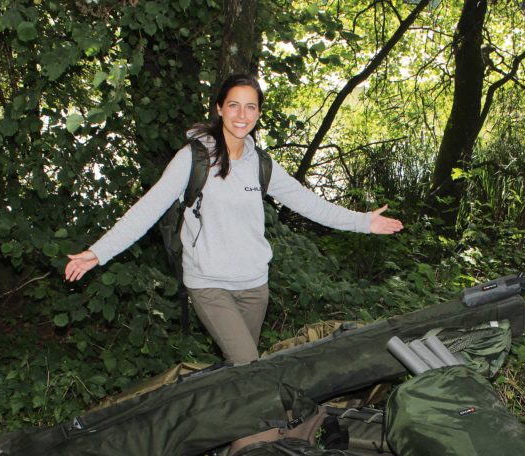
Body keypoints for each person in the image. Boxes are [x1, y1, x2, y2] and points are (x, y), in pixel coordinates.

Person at [64, 73, 404, 364]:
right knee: (250, 369)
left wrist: (363, 222)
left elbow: (308, 203)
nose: (242, 114)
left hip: (254, 287)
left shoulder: (261, 164)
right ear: (219, 108)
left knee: (238, 372)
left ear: (258, 113)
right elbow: (148, 208)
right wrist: (99, 252)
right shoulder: (193, 159)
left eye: (251, 106)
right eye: (234, 105)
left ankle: (226, 437)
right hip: (209, 284)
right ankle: (255, 438)